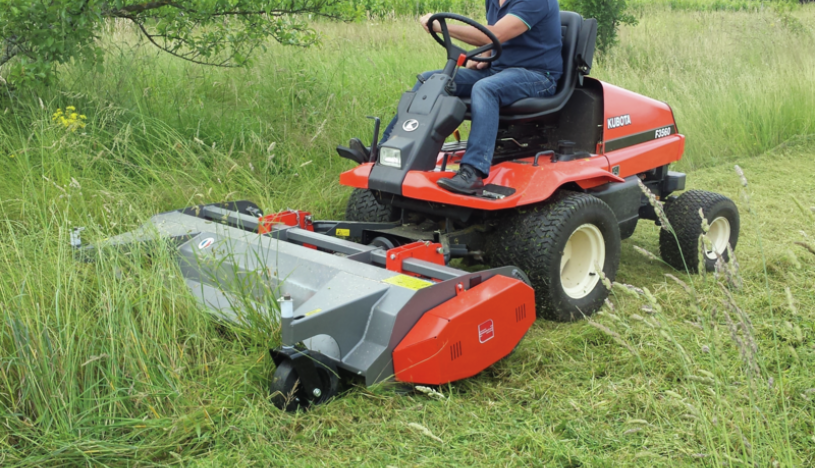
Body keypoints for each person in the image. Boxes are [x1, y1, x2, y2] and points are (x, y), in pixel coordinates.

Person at [380, 0, 563, 195]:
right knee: (431, 80)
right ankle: (385, 149)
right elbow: (492, 37)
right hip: (498, 70)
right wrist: (482, 56)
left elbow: (496, 34)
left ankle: (473, 172)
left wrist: (441, 27)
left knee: (485, 88)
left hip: (537, 76)